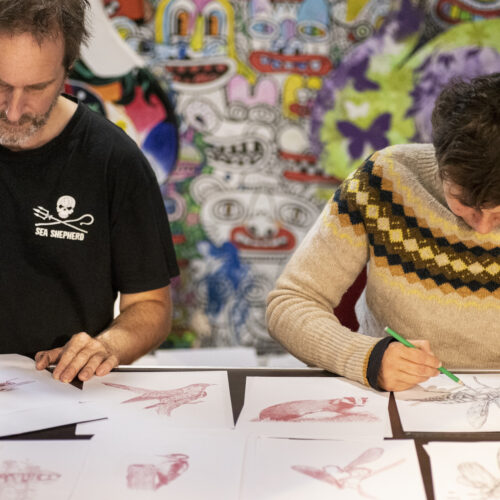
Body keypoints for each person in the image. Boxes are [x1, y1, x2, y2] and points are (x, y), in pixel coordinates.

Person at [267, 73, 500, 392]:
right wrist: (367, 358)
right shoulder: (385, 180)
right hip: (396, 404)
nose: (482, 226)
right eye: (465, 203)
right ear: (441, 161)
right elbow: (289, 303)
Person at [0, 0, 179, 383]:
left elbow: (150, 306)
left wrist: (109, 344)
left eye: (36, 88)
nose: (14, 111)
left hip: (60, 396)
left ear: (67, 70)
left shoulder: (113, 160)